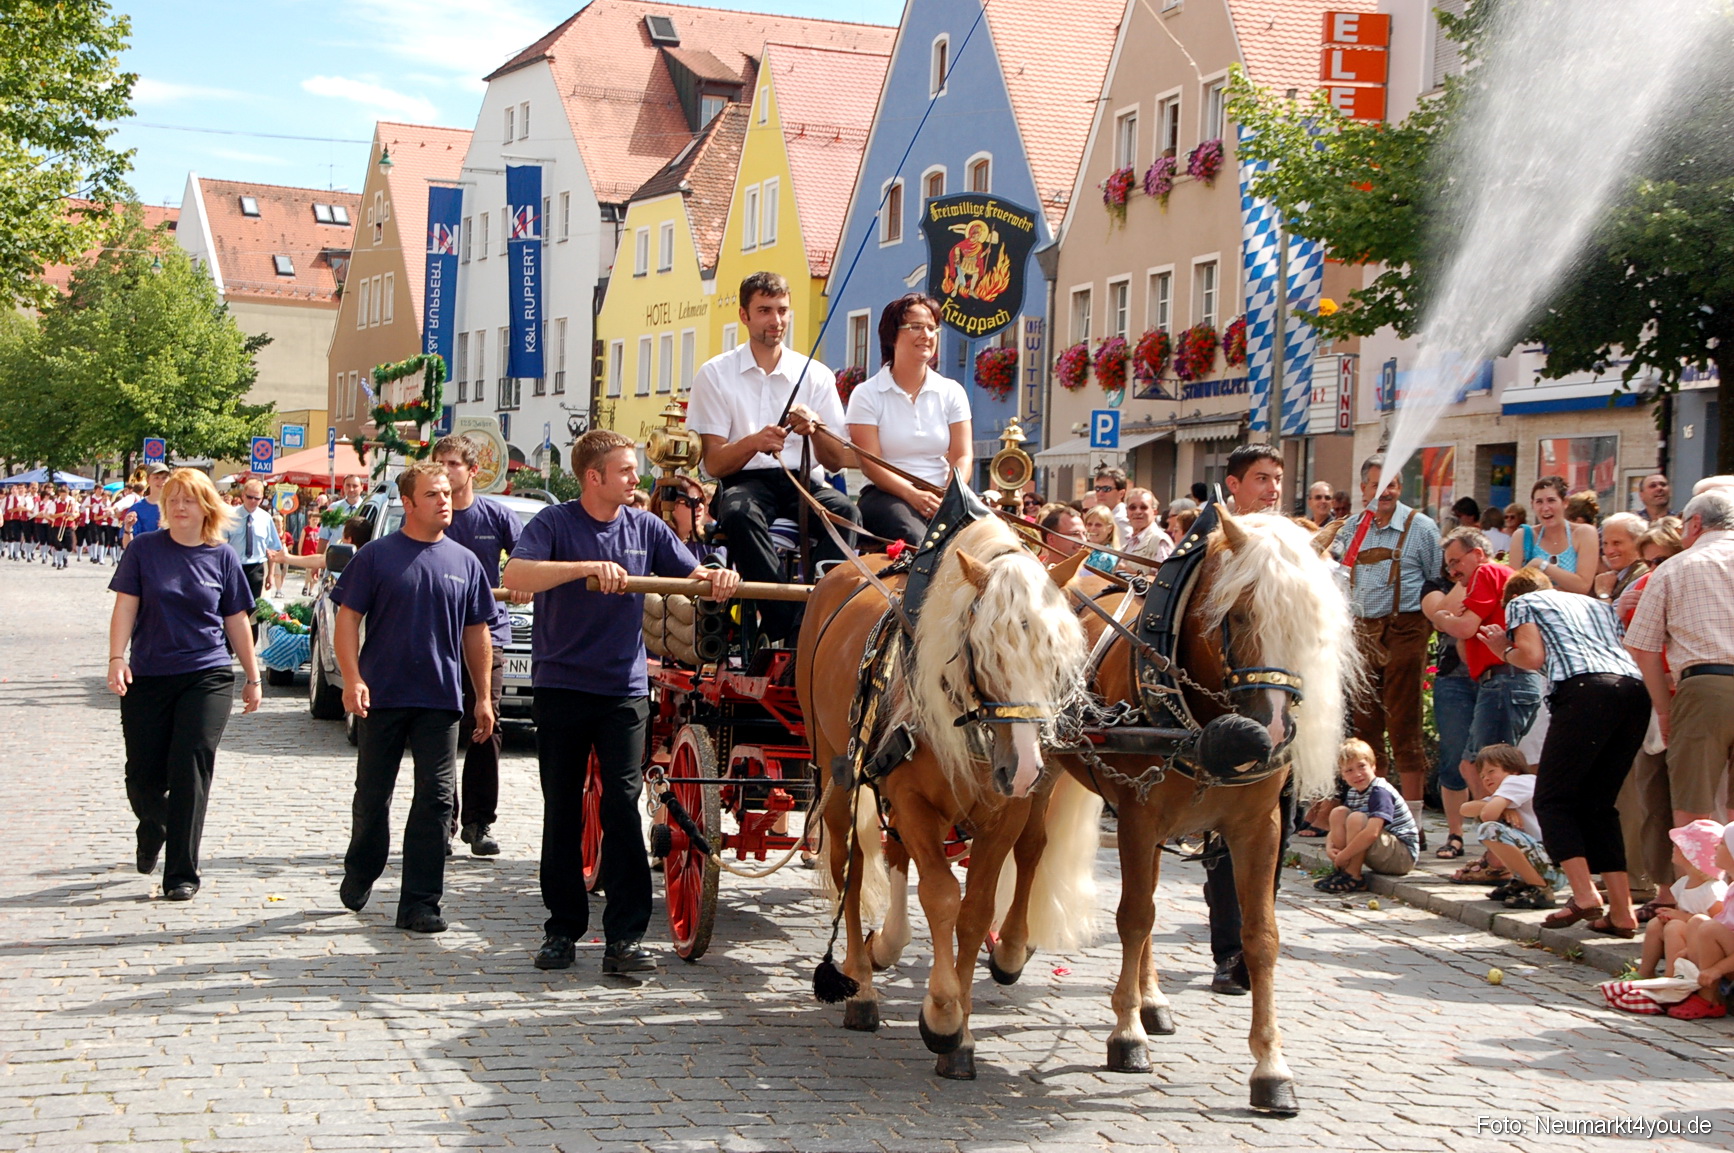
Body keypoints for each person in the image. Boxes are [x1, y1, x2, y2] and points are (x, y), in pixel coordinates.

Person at [503, 430, 738, 975]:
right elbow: (515, 574)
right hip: (561, 686)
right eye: (627, 471)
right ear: (594, 477)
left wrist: (715, 578)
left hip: (623, 691)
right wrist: (585, 568)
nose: (638, 479)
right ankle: (562, 930)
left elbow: (689, 574)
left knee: (621, 807)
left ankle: (625, 939)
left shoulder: (646, 526)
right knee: (562, 809)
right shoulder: (554, 523)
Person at [330, 462, 497, 934]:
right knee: (373, 795)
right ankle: (363, 867)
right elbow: (347, 619)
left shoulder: (465, 563)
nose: (444, 501)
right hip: (382, 696)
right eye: (432, 494)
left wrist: (482, 697)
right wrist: (351, 676)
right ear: (408, 503)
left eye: (447, 492)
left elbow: (476, 632)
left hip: (440, 701)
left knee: (436, 801)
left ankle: (421, 903)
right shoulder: (377, 557)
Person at [106, 468, 261, 901]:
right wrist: (117, 658)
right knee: (142, 775)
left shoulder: (222, 556)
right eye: (172, 499)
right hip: (150, 673)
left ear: (206, 506)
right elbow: (125, 608)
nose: (178, 506)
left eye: (188, 500)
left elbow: (236, 621)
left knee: (191, 767)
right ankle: (154, 823)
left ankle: (181, 873)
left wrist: (252, 677)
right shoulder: (143, 551)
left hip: (206, 675)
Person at [1481, 564, 1650, 938]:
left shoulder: (1522, 602)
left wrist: (1501, 649)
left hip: (1585, 691)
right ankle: (1622, 913)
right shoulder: (1592, 604)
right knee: (1599, 805)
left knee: (1553, 799)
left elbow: (1531, 656)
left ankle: (1584, 894)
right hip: (1634, 692)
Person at [686, 271, 856, 640]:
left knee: (846, 513)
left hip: (801, 478)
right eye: (764, 310)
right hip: (745, 480)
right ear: (744, 316)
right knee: (737, 513)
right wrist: (754, 442)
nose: (775, 321)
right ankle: (790, 623)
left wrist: (817, 426)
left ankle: (822, 609)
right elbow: (713, 463)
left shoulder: (816, 374)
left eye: (782, 310)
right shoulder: (715, 374)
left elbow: (836, 460)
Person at [1423, 528, 1544, 860]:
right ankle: (1498, 850)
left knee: (1488, 769)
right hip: (1499, 680)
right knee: (1474, 765)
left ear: (1478, 553)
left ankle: (1504, 853)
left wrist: (1445, 617)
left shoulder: (1488, 572)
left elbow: (1461, 627)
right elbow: (1466, 644)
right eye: (1447, 567)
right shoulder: (1488, 578)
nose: (1453, 573)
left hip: (1507, 679)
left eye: (1456, 562)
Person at [433, 434, 527, 858]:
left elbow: (528, 560)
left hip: (488, 634)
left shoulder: (495, 516)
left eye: (453, 464)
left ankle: (478, 822)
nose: (447, 471)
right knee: (438, 729)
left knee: (486, 726)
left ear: (472, 472)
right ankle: (440, 822)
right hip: (436, 634)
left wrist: (521, 582)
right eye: (440, 463)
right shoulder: (429, 515)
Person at [1335, 454, 1444, 815]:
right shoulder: (1351, 528)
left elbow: (1436, 581)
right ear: (1364, 487)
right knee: (1365, 724)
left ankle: (1412, 818)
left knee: (1404, 722)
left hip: (1405, 629)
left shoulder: (1422, 528)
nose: (1385, 492)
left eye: (1392, 485)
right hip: (1361, 632)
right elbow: (1336, 576)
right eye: (1377, 485)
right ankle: (1375, 810)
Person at [1625, 488, 1734, 840]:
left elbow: (1642, 647)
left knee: (1693, 806)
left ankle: (1700, 891)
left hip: (1705, 686)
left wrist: (1665, 711)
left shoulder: (1675, 567)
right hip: (1709, 682)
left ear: (1696, 523)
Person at [843, 294, 972, 546]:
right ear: (892, 336)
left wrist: (949, 494)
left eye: (932, 328)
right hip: (886, 495)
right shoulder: (867, 393)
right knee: (921, 541)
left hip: (942, 494)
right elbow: (871, 464)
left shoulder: (951, 391)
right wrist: (912, 495)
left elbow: (962, 456)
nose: (927, 335)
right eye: (915, 327)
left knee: (990, 542)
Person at [1314, 738, 1419, 893]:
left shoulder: (1380, 792)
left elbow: (1372, 833)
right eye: (1349, 770)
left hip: (1401, 857)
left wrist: (1344, 855)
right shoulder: (1353, 792)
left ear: (1373, 766)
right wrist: (1330, 848)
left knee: (1357, 818)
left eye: (1361, 766)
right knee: (1339, 812)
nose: (1357, 774)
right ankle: (1344, 872)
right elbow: (1339, 826)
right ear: (1342, 775)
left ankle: (1353, 876)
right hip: (1381, 851)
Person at [1460, 743, 1559, 909]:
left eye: (1491, 771)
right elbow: (1465, 809)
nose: (1486, 778)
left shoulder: (1518, 781)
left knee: (1490, 829)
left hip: (1550, 863)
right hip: (1544, 861)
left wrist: (1499, 807)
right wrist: (1504, 809)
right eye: (1482, 775)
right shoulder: (1505, 796)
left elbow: (1487, 815)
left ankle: (1539, 888)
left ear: (1514, 770)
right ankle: (1523, 881)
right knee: (1491, 825)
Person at [1636, 820, 1726, 980]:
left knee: (1674, 927)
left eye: (1680, 846)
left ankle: (1672, 977)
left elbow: (1719, 924)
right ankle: (1644, 972)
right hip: (1688, 937)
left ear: (1692, 856)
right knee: (1656, 924)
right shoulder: (1682, 884)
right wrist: (1669, 914)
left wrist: (1681, 918)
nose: (1674, 847)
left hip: (1705, 947)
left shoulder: (1713, 891)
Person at [1514, 476, 1599, 595]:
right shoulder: (1523, 536)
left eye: (1551, 500)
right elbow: (1513, 588)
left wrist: (1541, 565)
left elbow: (1583, 586)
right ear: (1532, 505)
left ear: (1565, 502)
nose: (1545, 508)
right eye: (1539, 502)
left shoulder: (1584, 533)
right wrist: (1564, 587)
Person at [223, 479, 274, 599]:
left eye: (257, 498)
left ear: (262, 499)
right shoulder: (230, 516)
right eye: (249, 497)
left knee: (252, 606)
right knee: (232, 606)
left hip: (256, 568)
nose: (253, 501)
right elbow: (221, 545)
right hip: (233, 567)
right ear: (243, 496)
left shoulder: (266, 518)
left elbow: (271, 549)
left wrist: (270, 574)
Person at [1592, 512, 1648, 604]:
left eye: (1616, 543)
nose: (1609, 551)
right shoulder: (1615, 576)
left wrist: (1604, 594)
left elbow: (1608, 618)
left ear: (1639, 543)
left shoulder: (1643, 577)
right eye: (1605, 544)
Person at [1222, 444, 1282, 514]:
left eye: (1278, 479)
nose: (1274, 488)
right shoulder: (1214, 524)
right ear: (1233, 484)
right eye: (1263, 478)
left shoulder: (1289, 525)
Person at [1122, 487, 1172, 564]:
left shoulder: (1159, 540)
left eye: (1143, 507)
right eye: (1132, 507)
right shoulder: (1129, 541)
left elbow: (1166, 575)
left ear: (1154, 512)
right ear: (1127, 512)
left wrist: (1131, 571)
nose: (1138, 511)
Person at [125, 463, 170, 542]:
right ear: (148, 480)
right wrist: (128, 528)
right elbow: (128, 545)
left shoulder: (176, 506)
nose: (161, 481)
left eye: (164, 478)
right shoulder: (137, 508)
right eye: (156, 478)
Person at [321, 474, 368, 549]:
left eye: (355, 486)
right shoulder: (333, 508)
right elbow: (323, 537)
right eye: (348, 485)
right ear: (343, 487)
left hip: (359, 555)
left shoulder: (367, 508)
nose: (351, 489)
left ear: (362, 487)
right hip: (336, 556)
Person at [1092, 467, 1132, 536]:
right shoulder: (1100, 516)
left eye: (1106, 489)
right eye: (1097, 489)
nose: (1100, 493)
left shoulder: (1121, 520)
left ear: (1121, 493)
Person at [1081, 505, 1120, 571]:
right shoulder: (1083, 550)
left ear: (1110, 529)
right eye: (1089, 524)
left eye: (1098, 525)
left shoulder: (1107, 558)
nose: (1092, 528)